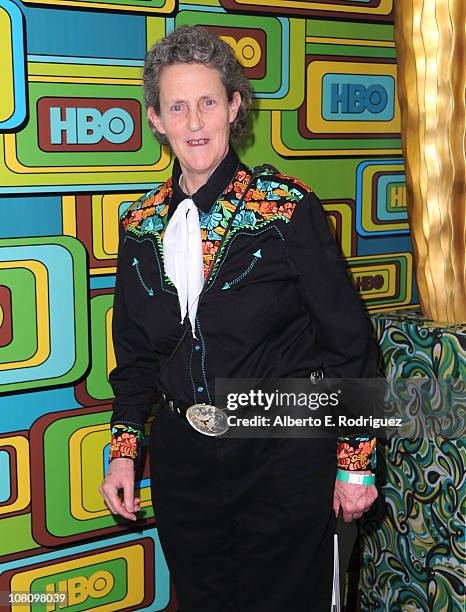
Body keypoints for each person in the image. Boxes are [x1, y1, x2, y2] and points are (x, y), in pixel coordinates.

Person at [99, 25, 378, 612]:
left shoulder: (287, 207)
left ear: (234, 106)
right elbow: (135, 356)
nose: (194, 122)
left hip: (282, 454)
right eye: (178, 106)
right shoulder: (139, 223)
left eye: (207, 102)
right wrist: (124, 449)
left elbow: (349, 343)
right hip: (185, 464)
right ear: (156, 119)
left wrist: (355, 464)